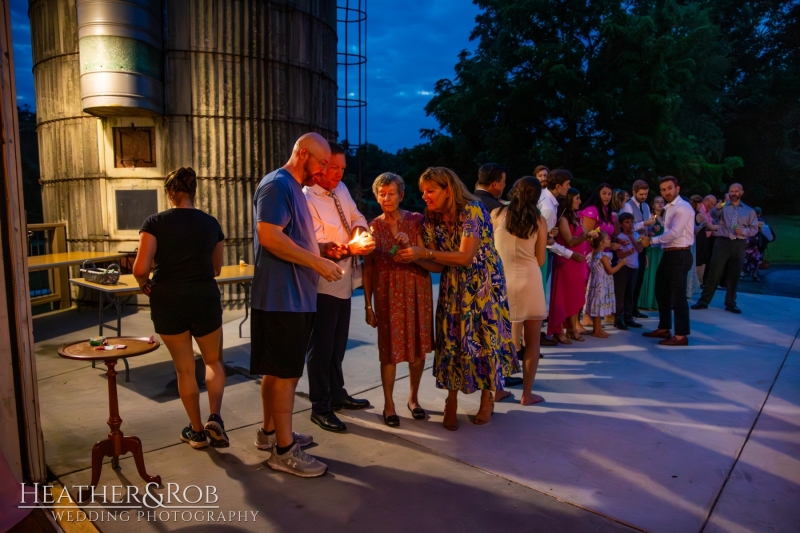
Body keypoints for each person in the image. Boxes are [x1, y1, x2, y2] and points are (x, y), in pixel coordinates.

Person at [395, 167, 518, 430]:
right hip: (453, 286)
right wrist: (413, 254)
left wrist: (424, 253)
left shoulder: (472, 209)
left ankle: (488, 399)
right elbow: (437, 265)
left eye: (430, 191)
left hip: (484, 285)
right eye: (423, 192)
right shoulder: (431, 218)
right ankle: (450, 401)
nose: (425, 196)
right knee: (452, 340)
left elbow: (464, 257)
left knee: (486, 338)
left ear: (448, 190)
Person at [250, 132, 344, 478]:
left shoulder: (293, 189)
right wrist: (316, 263)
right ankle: (285, 451)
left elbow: (294, 238)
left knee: (276, 371)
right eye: (322, 163)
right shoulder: (278, 185)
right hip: (282, 298)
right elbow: (269, 235)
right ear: (303, 154)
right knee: (287, 375)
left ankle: (271, 433)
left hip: (290, 297)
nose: (324, 170)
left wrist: (323, 251)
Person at [133, 167, 227, 449]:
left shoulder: (155, 222)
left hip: (168, 299)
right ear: (194, 191)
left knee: (185, 370)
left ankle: (196, 432)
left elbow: (140, 268)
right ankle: (215, 417)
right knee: (213, 362)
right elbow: (217, 269)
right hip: (203, 296)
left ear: (171, 192)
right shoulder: (211, 224)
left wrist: (144, 283)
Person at [303, 143, 376, 432]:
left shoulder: (341, 189)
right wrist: (351, 248)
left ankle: (337, 393)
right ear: (320, 166)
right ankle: (320, 405)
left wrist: (361, 233)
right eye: (333, 168)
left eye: (342, 168)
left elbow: (357, 217)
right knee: (320, 348)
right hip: (323, 282)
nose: (338, 173)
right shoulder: (307, 198)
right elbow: (317, 246)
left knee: (337, 344)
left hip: (345, 280)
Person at [363, 173, 434, 427]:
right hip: (386, 295)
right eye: (382, 194)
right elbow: (368, 268)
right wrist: (368, 305)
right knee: (389, 352)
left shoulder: (417, 221)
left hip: (416, 291)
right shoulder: (372, 227)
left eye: (391, 193)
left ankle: (413, 398)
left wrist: (411, 250)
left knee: (416, 350)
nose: (386, 198)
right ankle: (389, 404)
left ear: (401, 195)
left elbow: (431, 260)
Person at [491, 177, 548, 405]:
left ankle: (497, 390)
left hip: (501, 281)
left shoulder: (497, 215)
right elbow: (541, 259)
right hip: (530, 281)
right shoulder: (539, 220)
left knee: (497, 339)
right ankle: (527, 394)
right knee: (533, 341)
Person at [640, 176, 695, 346]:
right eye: (663, 189)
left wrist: (652, 241)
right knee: (661, 291)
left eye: (669, 188)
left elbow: (675, 234)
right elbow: (668, 234)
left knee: (678, 296)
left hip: (680, 254)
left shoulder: (683, 208)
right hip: (669, 253)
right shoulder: (669, 208)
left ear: (677, 188)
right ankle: (664, 328)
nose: (666, 192)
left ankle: (681, 335)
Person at [692, 183, 758, 314]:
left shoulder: (749, 211)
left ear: (741, 193)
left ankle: (731, 303)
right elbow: (713, 215)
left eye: (736, 191)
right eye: (731, 191)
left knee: (734, 274)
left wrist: (743, 231)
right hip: (722, 242)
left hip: (739, 243)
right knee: (714, 272)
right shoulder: (722, 207)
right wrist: (716, 209)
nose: (733, 193)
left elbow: (754, 229)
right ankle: (704, 301)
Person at [537, 169, 585, 346]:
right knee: (541, 296)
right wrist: (570, 253)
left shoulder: (550, 203)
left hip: (549, 254)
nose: (569, 187)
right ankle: (534, 337)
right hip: (542, 256)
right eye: (567, 185)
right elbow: (546, 242)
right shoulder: (549, 208)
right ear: (558, 186)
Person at [547, 187, 592, 343]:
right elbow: (570, 240)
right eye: (577, 198)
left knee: (576, 295)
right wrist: (587, 236)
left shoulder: (575, 216)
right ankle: (558, 330)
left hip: (578, 261)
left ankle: (572, 328)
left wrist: (588, 235)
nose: (580, 201)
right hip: (566, 261)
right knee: (563, 296)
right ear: (570, 199)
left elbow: (583, 233)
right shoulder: (563, 218)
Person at [621, 180, 656, 319]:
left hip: (642, 245)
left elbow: (645, 227)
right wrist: (644, 223)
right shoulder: (628, 206)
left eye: (646, 194)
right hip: (631, 246)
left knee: (639, 278)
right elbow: (628, 226)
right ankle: (626, 311)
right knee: (631, 281)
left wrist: (651, 229)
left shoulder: (646, 206)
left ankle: (634, 308)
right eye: (641, 194)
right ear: (634, 192)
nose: (644, 197)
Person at [585, 231, 627, 338]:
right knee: (598, 306)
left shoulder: (592, 254)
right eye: (607, 239)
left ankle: (598, 329)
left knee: (597, 306)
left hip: (595, 282)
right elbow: (610, 271)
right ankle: (596, 331)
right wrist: (621, 264)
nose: (609, 241)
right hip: (601, 283)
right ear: (601, 243)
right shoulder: (603, 256)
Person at [612, 212, 645, 329]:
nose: (630, 224)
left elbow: (640, 249)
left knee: (630, 293)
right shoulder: (620, 238)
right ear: (621, 224)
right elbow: (620, 255)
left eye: (631, 222)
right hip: (623, 268)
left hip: (634, 267)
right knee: (620, 294)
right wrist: (628, 252)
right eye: (627, 222)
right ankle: (618, 318)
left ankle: (628, 317)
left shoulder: (636, 235)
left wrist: (632, 237)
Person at [637, 196, 665, 310]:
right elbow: (645, 233)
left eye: (662, 202)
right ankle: (645, 302)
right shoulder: (650, 218)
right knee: (650, 274)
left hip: (662, 249)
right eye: (657, 202)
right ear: (652, 205)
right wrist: (652, 232)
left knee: (660, 276)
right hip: (651, 248)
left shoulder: (666, 218)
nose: (660, 204)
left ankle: (656, 302)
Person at [686, 196, 704, 297]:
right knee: (690, 265)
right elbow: (694, 230)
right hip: (690, 242)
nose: (701, 206)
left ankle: (688, 289)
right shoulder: (692, 213)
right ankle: (687, 290)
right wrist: (703, 224)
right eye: (700, 204)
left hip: (691, 241)